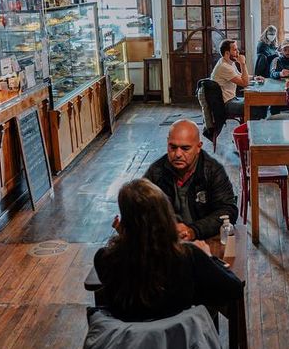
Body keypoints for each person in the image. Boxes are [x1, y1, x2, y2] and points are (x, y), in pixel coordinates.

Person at [94, 178, 244, 322]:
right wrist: (209, 257)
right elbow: (234, 288)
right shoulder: (187, 255)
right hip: (177, 343)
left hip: (128, 345)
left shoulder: (105, 259)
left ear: (125, 220)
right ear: (165, 215)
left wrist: (130, 236)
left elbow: (138, 263)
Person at [144, 119, 239, 241]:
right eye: (173, 147)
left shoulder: (212, 171)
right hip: (167, 241)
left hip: (203, 239)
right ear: (167, 143)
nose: (178, 154)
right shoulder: (156, 172)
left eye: (185, 148)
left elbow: (227, 210)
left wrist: (194, 231)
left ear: (198, 147)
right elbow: (142, 209)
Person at [210, 39, 250, 120]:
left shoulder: (228, 62)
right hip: (226, 104)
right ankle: (250, 129)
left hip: (232, 99)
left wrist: (255, 77)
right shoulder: (224, 67)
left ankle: (249, 127)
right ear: (227, 53)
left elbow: (240, 76)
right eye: (235, 50)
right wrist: (242, 63)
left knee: (254, 102)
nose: (238, 52)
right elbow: (245, 83)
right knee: (254, 106)